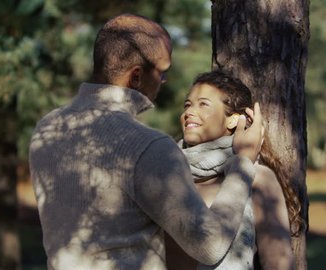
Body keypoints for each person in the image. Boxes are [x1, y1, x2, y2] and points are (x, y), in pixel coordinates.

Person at [29, 14, 265, 270]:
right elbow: (209, 245)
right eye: (162, 73)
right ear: (136, 77)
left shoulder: (47, 128)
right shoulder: (147, 146)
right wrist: (242, 161)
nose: (164, 82)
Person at [167, 70, 305, 270]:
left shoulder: (257, 177)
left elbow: (278, 262)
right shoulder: (165, 169)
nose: (189, 112)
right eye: (187, 105)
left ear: (234, 120)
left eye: (203, 104)